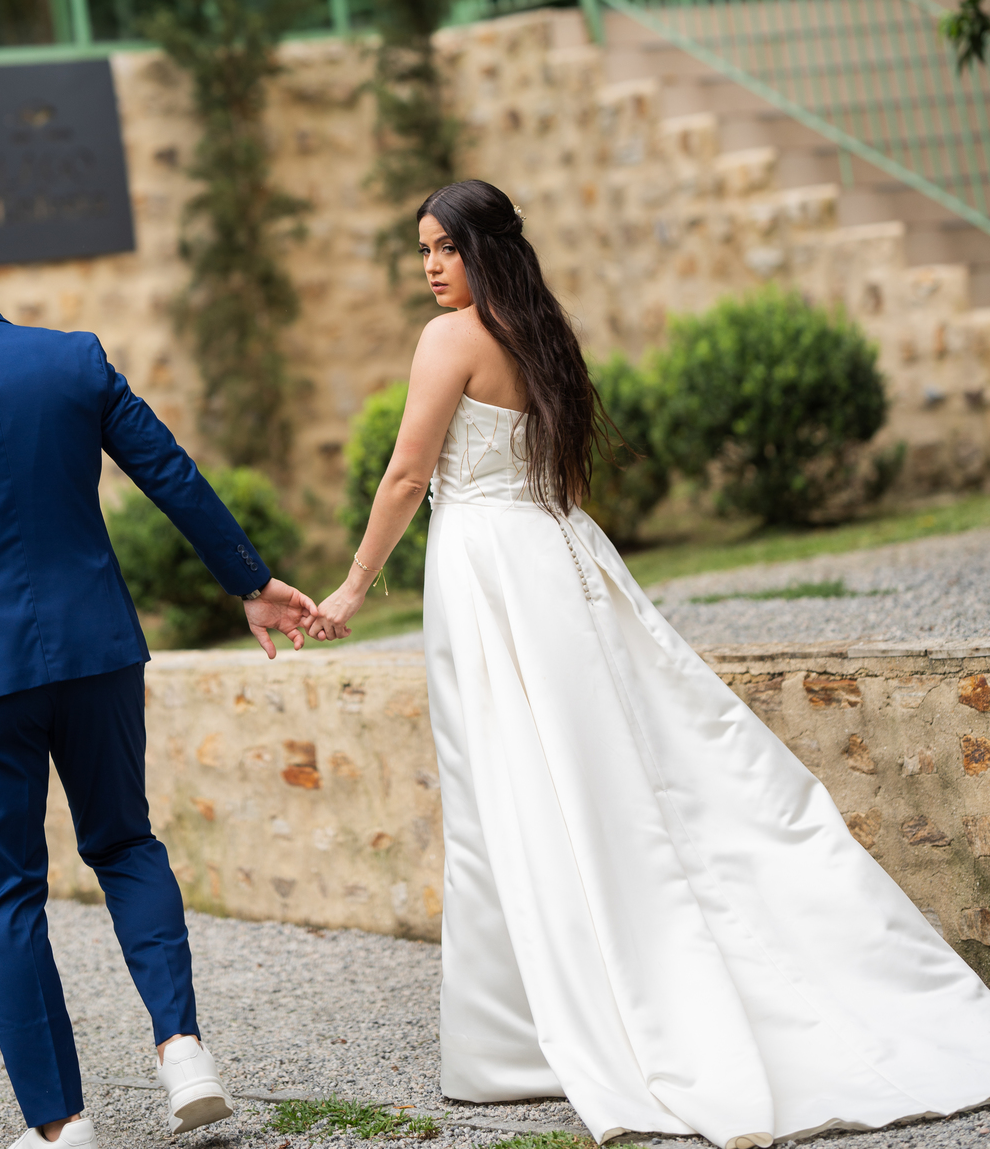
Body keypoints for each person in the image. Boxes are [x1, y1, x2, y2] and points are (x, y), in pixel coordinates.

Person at [309, 178, 990, 1149]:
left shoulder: (450, 339)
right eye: (422, 249)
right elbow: (557, 475)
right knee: (601, 774)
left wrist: (350, 588)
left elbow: (408, 475)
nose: (430, 266)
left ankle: (524, 1041)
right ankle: (549, 1016)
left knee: (510, 782)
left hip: (490, 569)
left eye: (445, 247)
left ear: (484, 250)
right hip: (560, 558)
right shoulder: (540, 333)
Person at [0, 205, 319, 1149]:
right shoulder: (74, 359)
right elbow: (170, 472)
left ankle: (62, 1127)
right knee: (126, 843)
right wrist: (250, 583)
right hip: (97, 652)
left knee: (8, 897)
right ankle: (182, 1052)